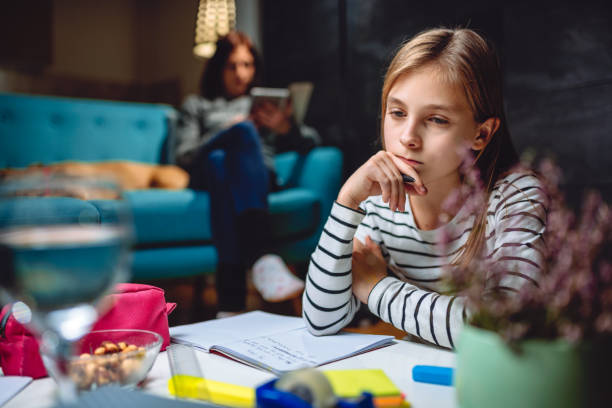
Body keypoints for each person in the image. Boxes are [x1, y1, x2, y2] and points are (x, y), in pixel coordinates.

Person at [302, 27, 547, 348]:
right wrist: (347, 201)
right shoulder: (377, 207)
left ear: (482, 134)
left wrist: (376, 288)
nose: (408, 137)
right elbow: (320, 320)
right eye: (398, 113)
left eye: (437, 119)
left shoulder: (516, 197)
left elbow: (503, 327)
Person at [174, 31, 320, 316]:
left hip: (255, 177)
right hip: (202, 174)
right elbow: (184, 155)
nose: (241, 74)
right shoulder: (198, 105)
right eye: (232, 66)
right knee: (223, 150)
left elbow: (312, 141)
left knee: (220, 163)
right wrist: (229, 129)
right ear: (218, 68)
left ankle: (230, 306)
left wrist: (284, 127)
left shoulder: (265, 105)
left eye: (247, 65)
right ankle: (262, 257)